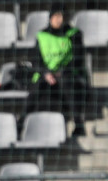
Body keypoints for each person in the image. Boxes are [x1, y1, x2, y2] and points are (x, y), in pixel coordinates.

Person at [26, 4, 89, 136]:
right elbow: (35, 60)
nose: (59, 19)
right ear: (50, 18)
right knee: (37, 87)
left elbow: (78, 58)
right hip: (46, 74)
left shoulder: (74, 34)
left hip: (69, 74)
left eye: (62, 16)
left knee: (66, 82)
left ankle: (79, 124)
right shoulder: (42, 36)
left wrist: (61, 71)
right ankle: (22, 122)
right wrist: (46, 73)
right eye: (56, 16)